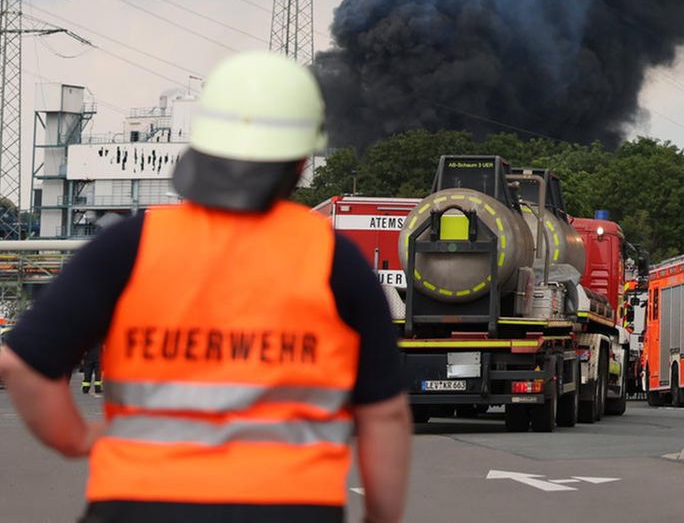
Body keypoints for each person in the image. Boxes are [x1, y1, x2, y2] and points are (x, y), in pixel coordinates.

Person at [0, 51, 412, 523]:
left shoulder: (130, 247)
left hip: (138, 505)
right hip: (291, 508)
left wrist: (75, 439)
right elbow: (385, 416)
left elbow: (21, 363)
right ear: (301, 162)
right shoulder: (335, 261)